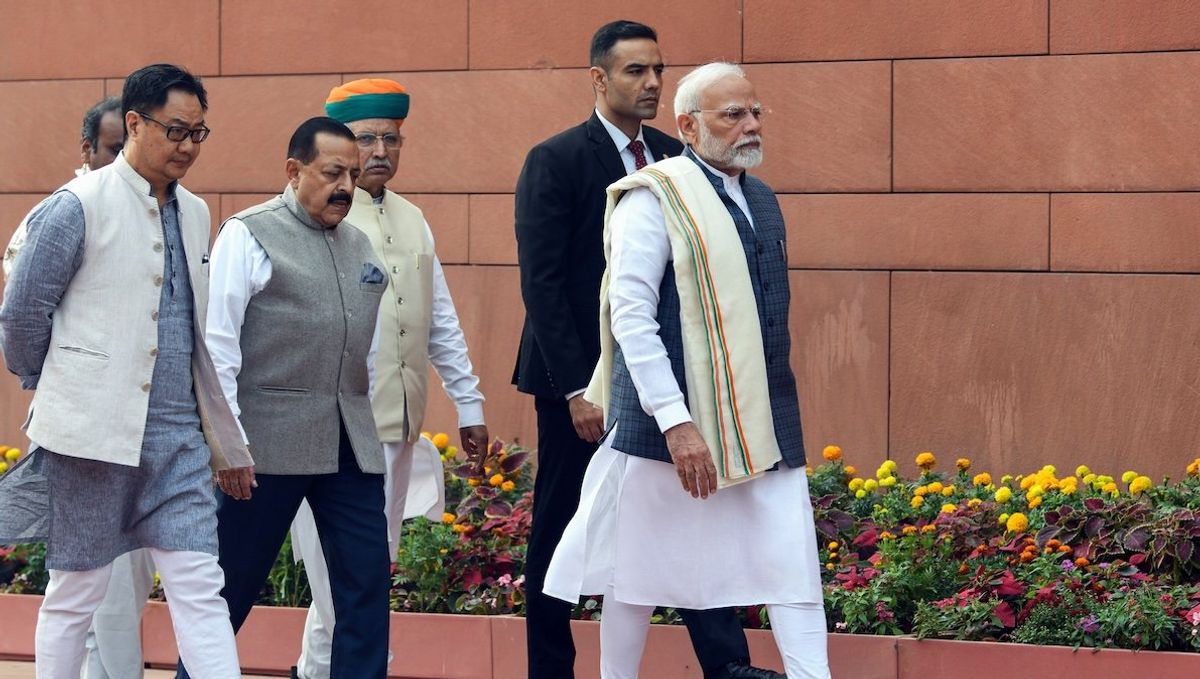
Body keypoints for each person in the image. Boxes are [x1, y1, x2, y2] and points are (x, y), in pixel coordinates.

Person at [545, 62, 832, 679]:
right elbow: (631, 319)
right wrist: (676, 424)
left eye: (755, 111)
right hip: (666, 427)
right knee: (636, 572)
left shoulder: (760, 196)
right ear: (688, 126)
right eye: (732, 114)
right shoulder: (653, 197)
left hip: (763, 417)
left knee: (792, 564)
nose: (749, 125)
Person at [514, 20, 778, 679]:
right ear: (599, 78)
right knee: (559, 526)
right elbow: (542, 283)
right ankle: (550, 669)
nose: (653, 82)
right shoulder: (556, 159)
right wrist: (578, 387)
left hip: (662, 385)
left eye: (659, 70)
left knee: (691, 510)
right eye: (636, 71)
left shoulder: (676, 157)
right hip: (577, 385)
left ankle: (727, 663)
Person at [0, 63, 250, 679]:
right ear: (134, 123)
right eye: (175, 131)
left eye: (199, 133)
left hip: (176, 438)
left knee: (199, 584)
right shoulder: (75, 206)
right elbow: (23, 315)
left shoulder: (195, 212)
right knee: (76, 590)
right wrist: (64, 387)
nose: (188, 146)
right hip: (92, 435)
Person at [285, 78, 490, 679]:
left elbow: (439, 318)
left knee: (369, 571)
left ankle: (315, 671)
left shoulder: (413, 218)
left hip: (396, 427)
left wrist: (469, 403)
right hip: (328, 431)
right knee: (343, 578)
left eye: (391, 139)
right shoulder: (313, 216)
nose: (380, 151)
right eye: (367, 138)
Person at [179, 116, 391, 679]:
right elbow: (216, 346)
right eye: (332, 173)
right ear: (294, 171)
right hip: (263, 448)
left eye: (353, 173)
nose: (346, 185)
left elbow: (364, 353)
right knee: (232, 587)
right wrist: (228, 445)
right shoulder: (248, 233)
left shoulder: (360, 244)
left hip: (351, 445)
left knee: (367, 584)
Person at [4, 95, 123, 276]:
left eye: (132, 151)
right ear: (87, 149)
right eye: (116, 150)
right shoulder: (65, 208)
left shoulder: (156, 204)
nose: (125, 160)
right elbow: (25, 296)